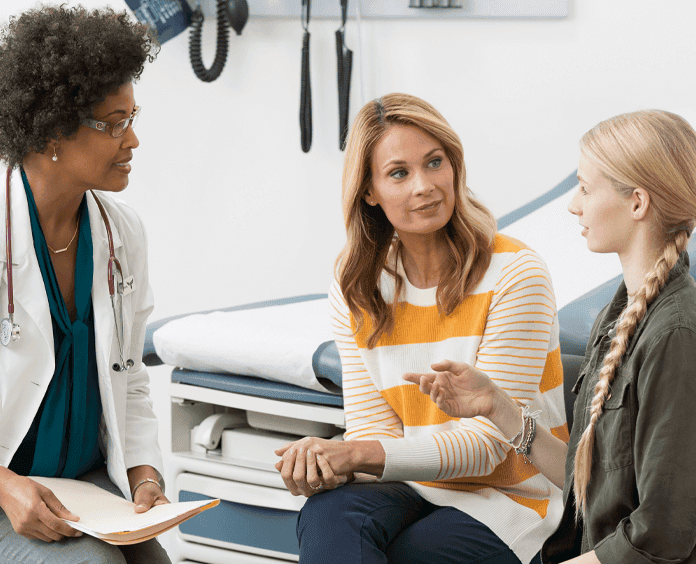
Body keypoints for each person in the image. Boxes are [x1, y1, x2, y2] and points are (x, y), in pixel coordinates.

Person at [274, 93, 567, 564]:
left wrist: (354, 455)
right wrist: (330, 464)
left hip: (511, 496)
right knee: (326, 513)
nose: (424, 186)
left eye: (435, 163)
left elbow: (487, 448)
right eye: (399, 173)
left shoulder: (515, 273)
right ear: (368, 191)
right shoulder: (356, 287)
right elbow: (375, 429)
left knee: (414, 553)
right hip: (411, 483)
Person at [406, 109, 696, 563]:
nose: (573, 205)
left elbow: (662, 533)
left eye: (585, 188)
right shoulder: (618, 316)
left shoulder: (675, 336)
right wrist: (497, 406)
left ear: (637, 203)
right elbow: (592, 482)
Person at [0, 5, 171, 563]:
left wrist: (144, 474)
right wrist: (5, 486)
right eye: (114, 123)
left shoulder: (121, 234)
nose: (134, 140)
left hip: (81, 489)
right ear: (52, 127)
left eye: (133, 116)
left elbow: (131, 378)